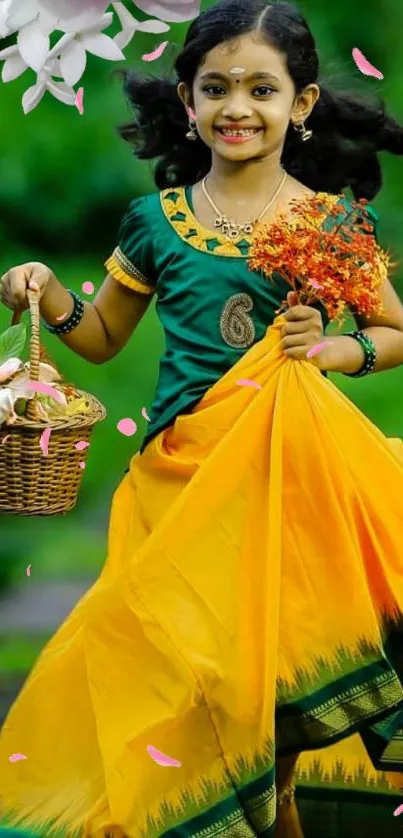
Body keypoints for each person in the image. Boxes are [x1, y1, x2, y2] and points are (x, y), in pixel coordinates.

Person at [0, 0, 403, 836]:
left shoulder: (329, 222)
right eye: (215, 87)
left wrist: (331, 351)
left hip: (285, 480)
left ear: (302, 105)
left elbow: (393, 330)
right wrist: (50, 292)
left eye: (261, 88)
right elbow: (105, 337)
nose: (236, 107)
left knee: (268, 670)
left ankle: (278, 806)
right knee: (187, 670)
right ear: (187, 102)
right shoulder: (158, 222)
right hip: (176, 479)